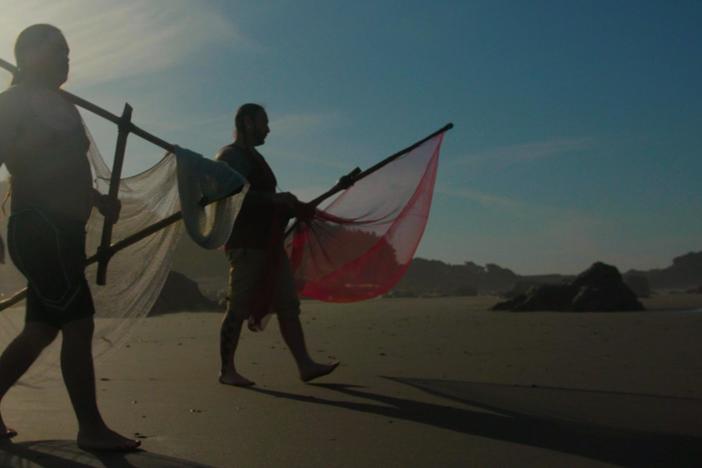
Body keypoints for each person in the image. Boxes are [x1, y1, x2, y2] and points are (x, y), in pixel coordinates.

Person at [0, 24, 139, 451]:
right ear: (27, 55)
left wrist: (98, 200)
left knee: (41, 330)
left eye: (68, 51)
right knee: (78, 323)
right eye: (57, 50)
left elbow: (67, 167)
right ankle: (91, 428)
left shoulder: (64, 106)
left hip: (66, 231)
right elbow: (13, 161)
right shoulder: (13, 102)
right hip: (38, 227)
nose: (66, 58)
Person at [216, 103, 339, 386]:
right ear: (248, 122)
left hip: (269, 245)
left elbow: (263, 198)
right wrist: (273, 199)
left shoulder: (255, 157)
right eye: (264, 122)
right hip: (246, 245)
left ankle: (305, 365)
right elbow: (227, 196)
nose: (268, 129)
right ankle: (227, 370)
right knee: (238, 306)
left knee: (287, 303)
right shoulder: (231, 157)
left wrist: (290, 204)